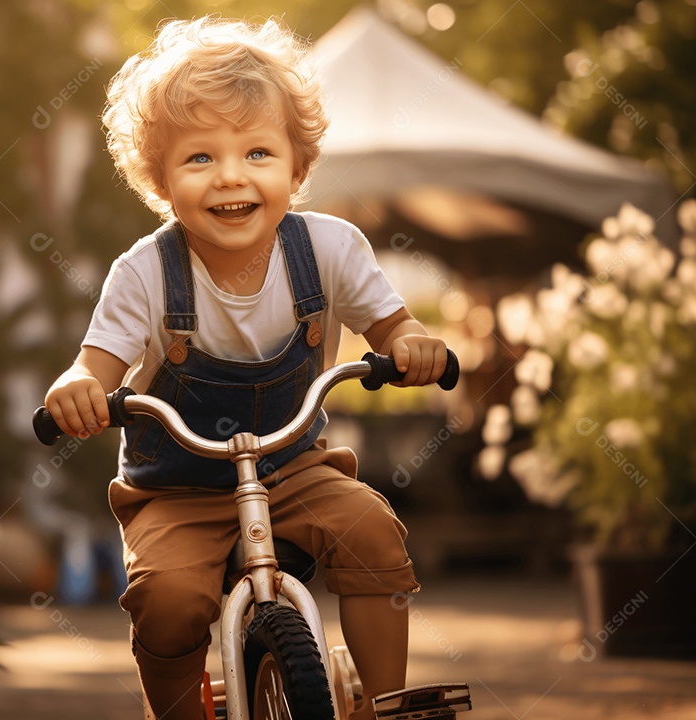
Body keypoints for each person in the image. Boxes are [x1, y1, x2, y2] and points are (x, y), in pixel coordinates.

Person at [42, 15, 448, 720]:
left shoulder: (330, 250)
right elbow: (94, 364)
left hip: (294, 470)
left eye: (258, 152)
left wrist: (412, 342)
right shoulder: (143, 273)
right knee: (166, 599)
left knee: (372, 530)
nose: (231, 175)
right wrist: (78, 388)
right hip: (176, 491)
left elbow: (395, 325)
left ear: (297, 167)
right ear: (160, 182)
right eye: (199, 158)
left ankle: (389, 704)